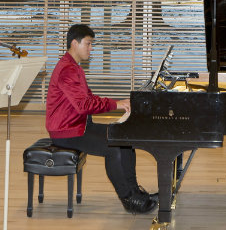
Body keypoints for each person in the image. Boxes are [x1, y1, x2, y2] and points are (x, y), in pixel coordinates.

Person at [46, 24, 157, 214]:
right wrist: (115, 105)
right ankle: (128, 199)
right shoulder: (68, 70)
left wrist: (116, 102)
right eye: (88, 44)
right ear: (74, 43)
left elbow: (87, 98)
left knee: (125, 139)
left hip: (78, 125)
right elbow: (84, 105)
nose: (91, 48)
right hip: (66, 131)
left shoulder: (73, 66)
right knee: (112, 148)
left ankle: (135, 192)